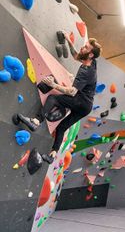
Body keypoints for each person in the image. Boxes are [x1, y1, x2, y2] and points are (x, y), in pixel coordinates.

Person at [16, 35, 102, 164]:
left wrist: (52, 85)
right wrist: (68, 40)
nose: (82, 48)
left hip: (81, 101)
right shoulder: (92, 61)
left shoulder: (86, 71)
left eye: (85, 48)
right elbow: (76, 56)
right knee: (61, 127)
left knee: (53, 98)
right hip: (86, 107)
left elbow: (72, 92)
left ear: (90, 55)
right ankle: (52, 155)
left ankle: (36, 120)